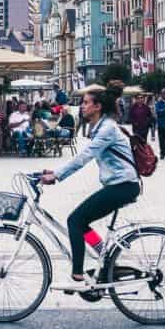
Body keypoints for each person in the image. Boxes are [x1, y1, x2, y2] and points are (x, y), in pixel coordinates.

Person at [40, 83, 141, 291]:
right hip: (120, 184)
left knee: (74, 220)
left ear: (98, 107)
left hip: (123, 186)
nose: (82, 107)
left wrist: (57, 176)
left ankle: (77, 276)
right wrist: (53, 172)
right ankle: (106, 256)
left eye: (86, 103)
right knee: (82, 222)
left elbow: (84, 157)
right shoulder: (102, 126)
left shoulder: (107, 129)